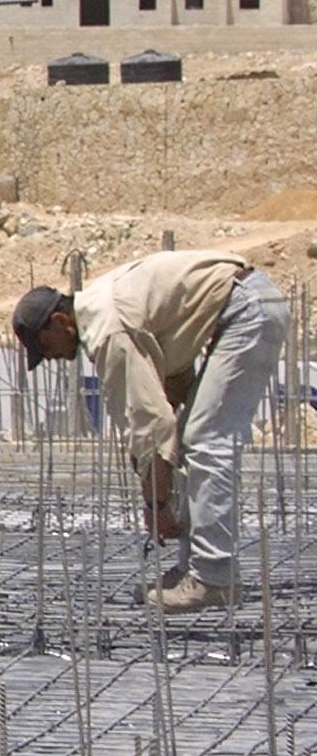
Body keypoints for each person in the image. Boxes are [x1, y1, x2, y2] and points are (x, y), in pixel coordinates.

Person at [15, 250, 289, 613]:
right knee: (192, 438)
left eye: (44, 346)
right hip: (242, 304)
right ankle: (196, 569)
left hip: (246, 310)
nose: (47, 357)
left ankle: (214, 579)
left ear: (61, 321)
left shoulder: (108, 329)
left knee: (207, 441)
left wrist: (156, 505)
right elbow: (170, 380)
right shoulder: (104, 306)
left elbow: (149, 426)